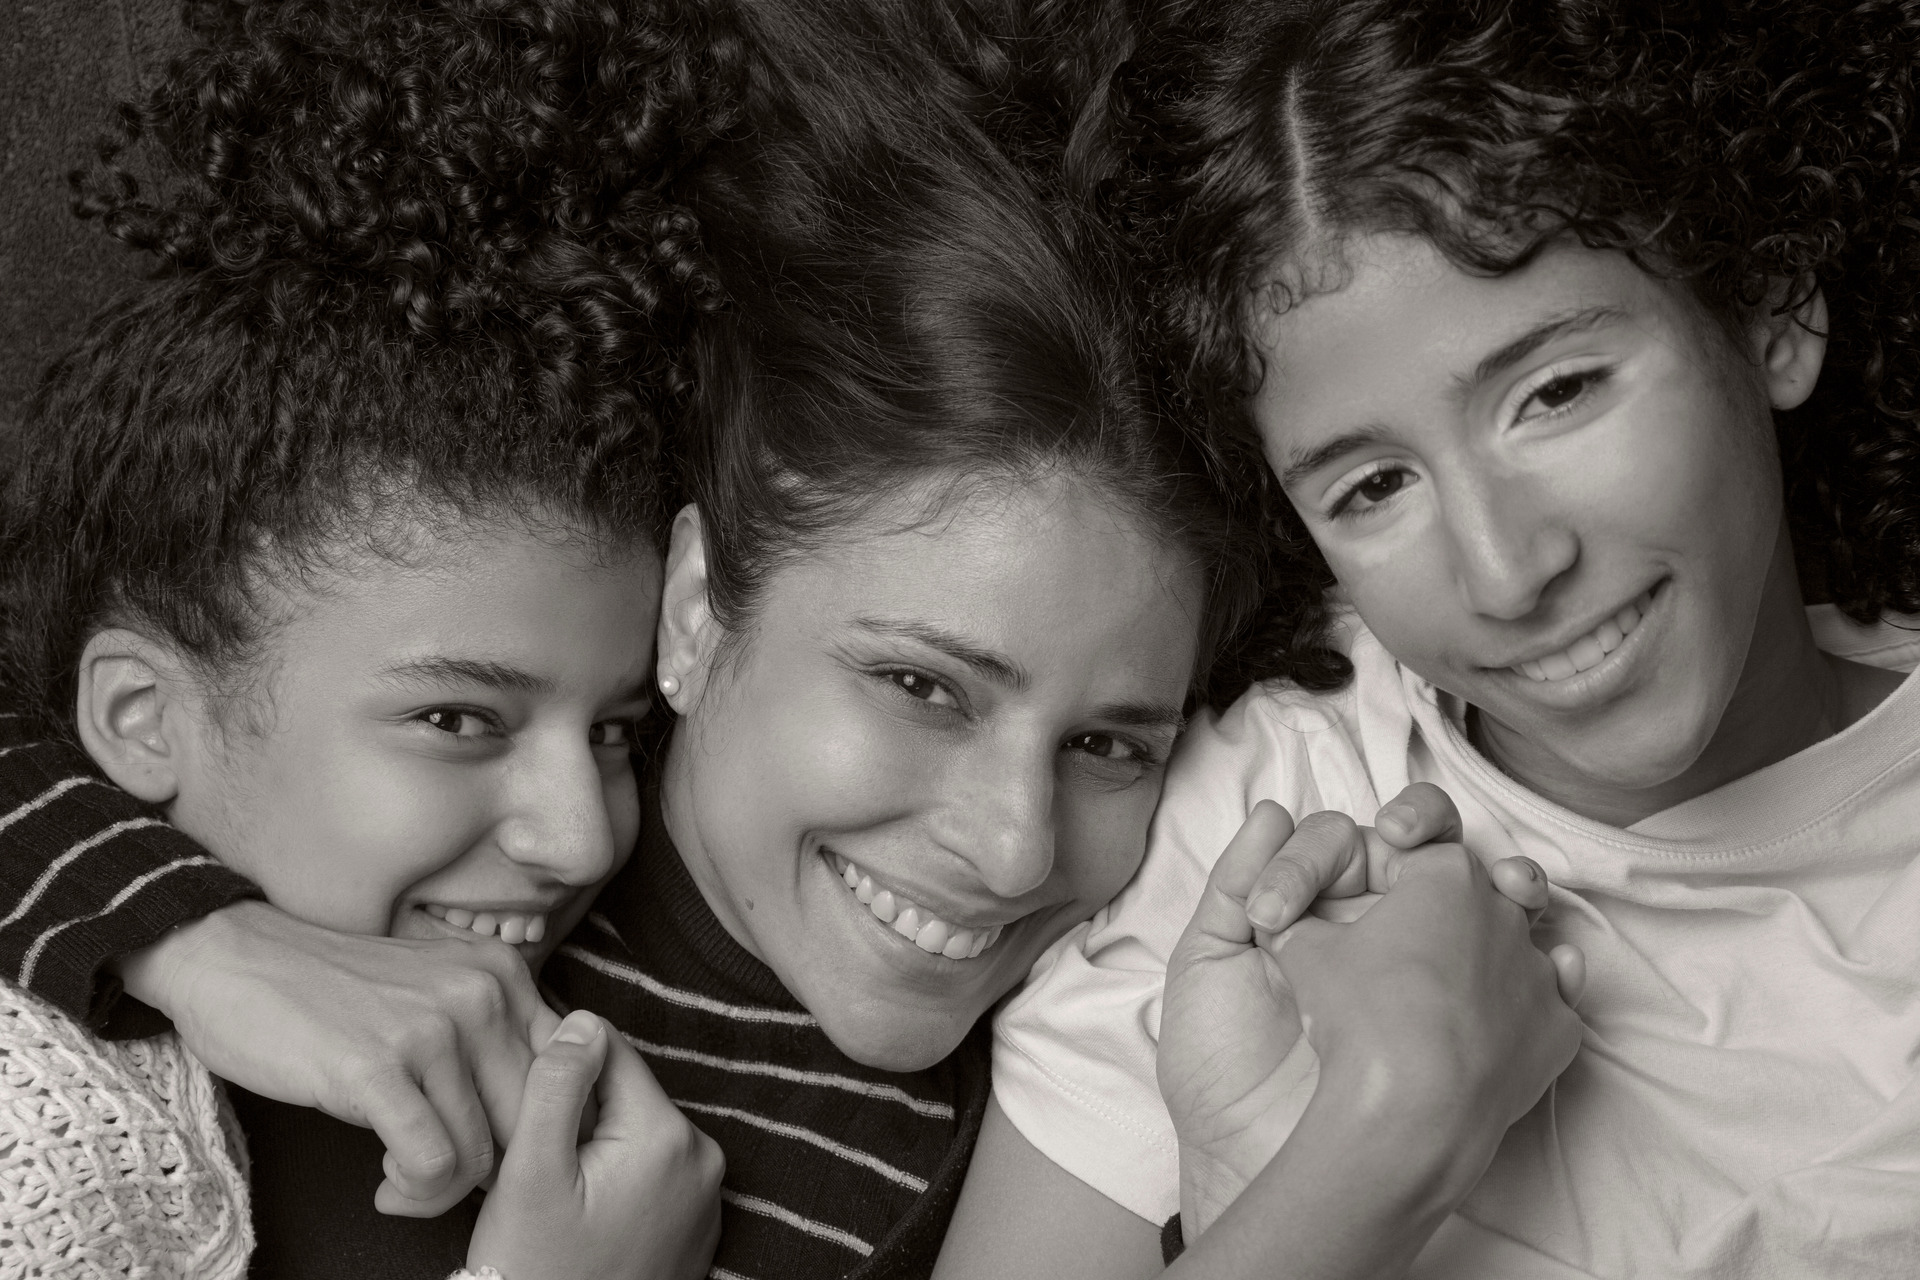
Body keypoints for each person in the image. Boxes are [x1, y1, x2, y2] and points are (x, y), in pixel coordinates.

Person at [0, 2, 1586, 1278]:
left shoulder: (1046, 1095)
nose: (1011, 842)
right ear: (697, 611)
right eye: (919, 683)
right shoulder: (406, 873)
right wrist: (190, 936)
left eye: (1112, 741)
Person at [958, 0, 1920, 1277]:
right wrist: (1364, 1144)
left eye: (1557, 392)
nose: (1507, 571)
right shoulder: (1254, 839)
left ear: (1767, 306)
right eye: (1372, 487)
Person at [0, 0, 740, 1274]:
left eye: (621, 730)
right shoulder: (53, 1125)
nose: (581, 835)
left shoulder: (640, 1059)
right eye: (456, 718)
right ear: (139, 716)